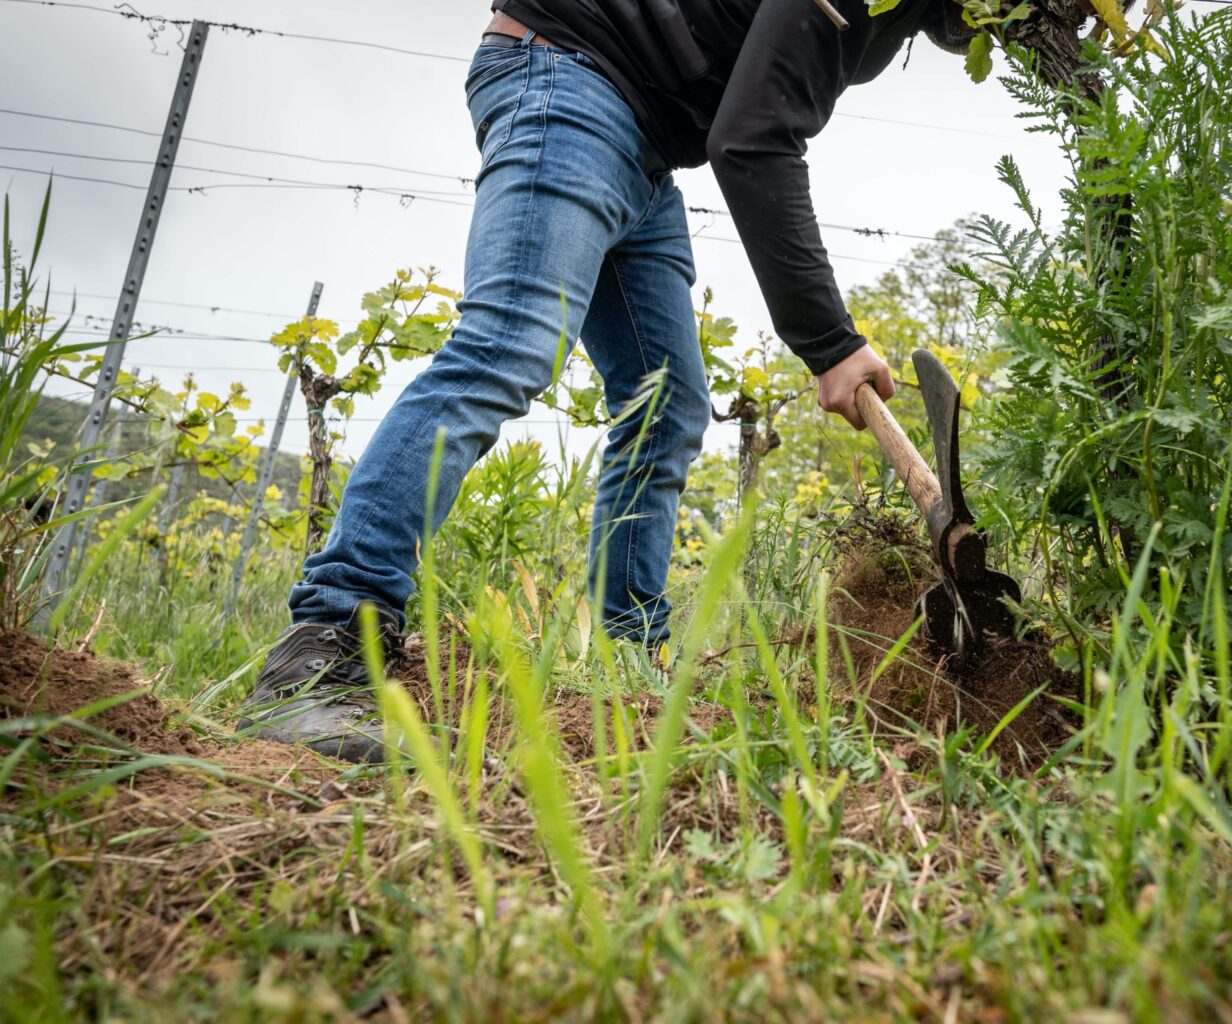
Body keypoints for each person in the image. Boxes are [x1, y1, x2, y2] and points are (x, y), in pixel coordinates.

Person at [240, 0, 976, 762]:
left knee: (667, 405)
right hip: (571, 80)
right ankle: (321, 650)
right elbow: (752, 140)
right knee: (507, 345)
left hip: (638, 137)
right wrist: (830, 342)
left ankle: (630, 665)